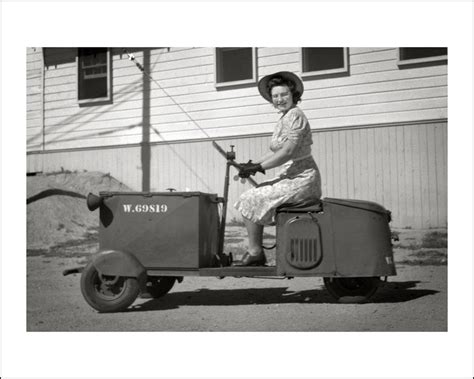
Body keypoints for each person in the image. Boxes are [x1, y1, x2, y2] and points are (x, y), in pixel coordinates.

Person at [233, 71, 322, 266]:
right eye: (275, 96)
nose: (279, 99)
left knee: (250, 198)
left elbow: (288, 151)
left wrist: (259, 166)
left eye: (284, 95)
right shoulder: (285, 117)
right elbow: (276, 151)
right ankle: (256, 251)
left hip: (302, 178)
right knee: (253, 194)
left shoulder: (295, 115)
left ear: (293, 95)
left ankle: (256, 252)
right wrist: (251, 165)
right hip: (291, 175)